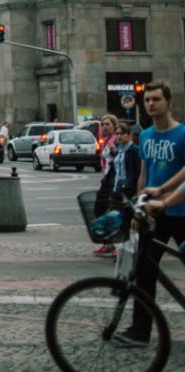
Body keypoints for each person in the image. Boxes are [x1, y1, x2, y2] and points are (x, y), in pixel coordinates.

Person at [117, 82, 185, 347]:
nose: (150, 104)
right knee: (144, 270)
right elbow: (144, 175)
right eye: (147, 100)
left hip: (180, 211)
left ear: (169, 102)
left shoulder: (182, 134)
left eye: (156, 99)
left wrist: (166, 197)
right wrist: (139, 206)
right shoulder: (145, 137)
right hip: (154, 213)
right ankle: (140, 329)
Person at [91, 114, 120, 256]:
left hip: (115, 181)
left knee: (112, 211)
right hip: (107, 179)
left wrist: (116, 152)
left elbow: (123, 158)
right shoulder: (105, 141)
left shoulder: (116, 140)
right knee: (99, 210)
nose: (105, 127)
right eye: (103, 124)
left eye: (108, 124)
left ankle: (114, 244)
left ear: (114, 126)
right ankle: (108, 243)